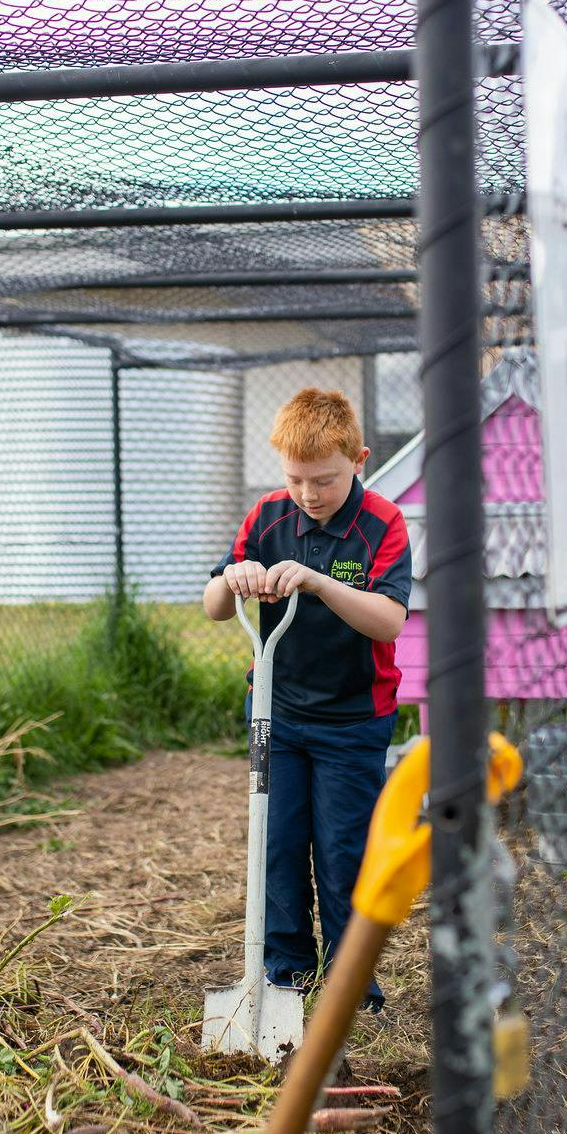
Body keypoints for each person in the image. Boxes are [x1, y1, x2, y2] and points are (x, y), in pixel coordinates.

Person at [203, 388, 412, 1012]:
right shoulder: (268, 517)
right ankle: (284, 978)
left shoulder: (383, 524)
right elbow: (214, 606)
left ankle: (350, 987)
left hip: (354, 721)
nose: (309, 494)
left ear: (359, 460)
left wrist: (318, 583)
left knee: (345, 854)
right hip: (278, 717)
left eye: (324, 480)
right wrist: (231, 580)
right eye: (296, 479)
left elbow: (388, 621)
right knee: (279, 844)